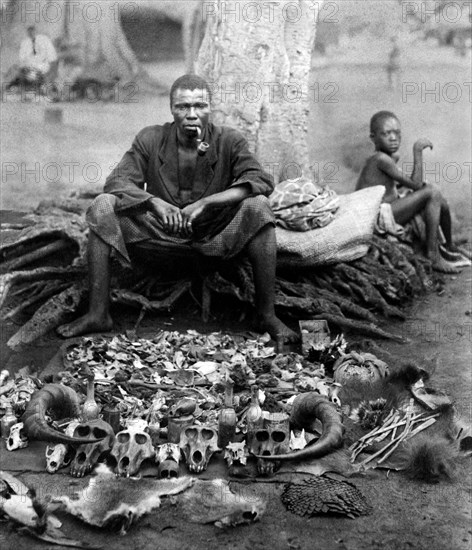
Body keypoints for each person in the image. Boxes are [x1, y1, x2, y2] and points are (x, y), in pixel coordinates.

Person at [58, 74, 298, 347]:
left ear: (211, 107)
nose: (192, 114)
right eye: (183, 107)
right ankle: (98, 313)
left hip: (213, 239)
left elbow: (261, 181)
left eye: (200, 106)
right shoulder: (151, 138)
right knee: (102, 205)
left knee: (259, 206)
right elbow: (117, 181)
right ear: (171, 109)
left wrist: (207, 202)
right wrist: (154, 204)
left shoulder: (229, 141)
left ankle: (265, 315)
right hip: (159, 238)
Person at [356, 111, 466, 273]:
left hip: (388, 208)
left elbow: (395, 185)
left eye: (397, 133)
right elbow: (416, 184)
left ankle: (448, 246)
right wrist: (418, 151)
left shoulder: (389, 157)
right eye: (386, 134)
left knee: (437, 196)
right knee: (432, 192)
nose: (393, 138)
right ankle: (433, 256)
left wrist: (410, 189)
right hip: (375, 217)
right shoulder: (380, 159)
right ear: (373, 138)